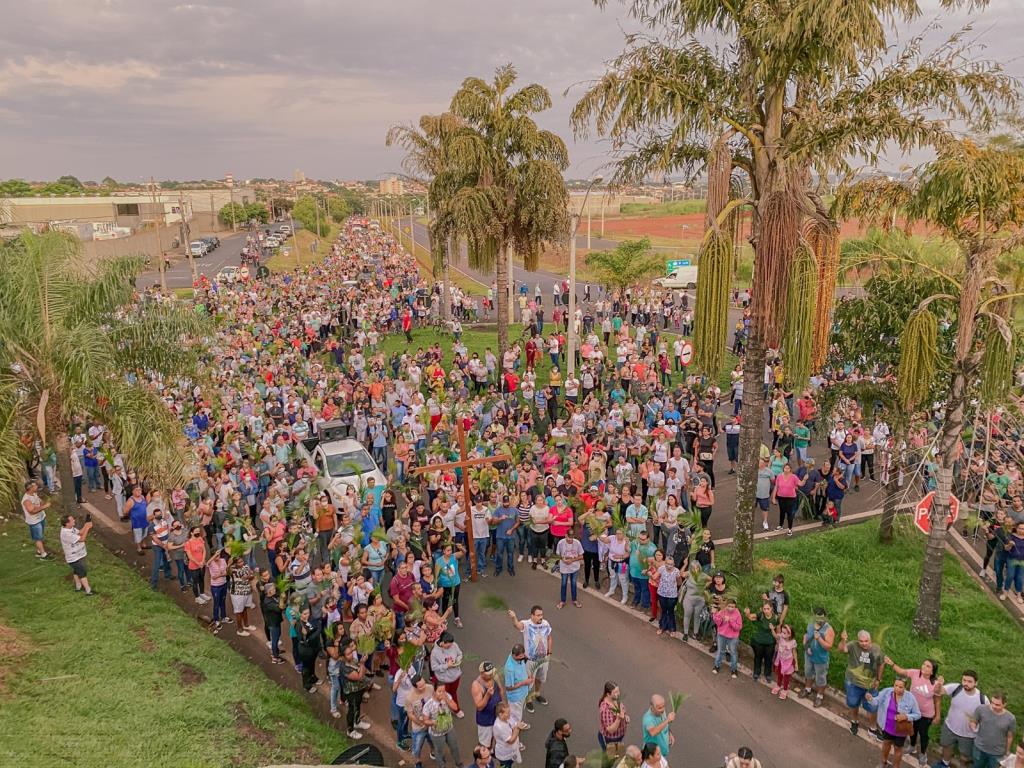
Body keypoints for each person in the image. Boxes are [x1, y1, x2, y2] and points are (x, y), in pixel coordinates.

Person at [888, 656, 943, 764]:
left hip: (926, 714)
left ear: (932, 671)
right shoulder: (915, 673)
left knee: (923, 734)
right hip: (912, 711)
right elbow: (901, 672)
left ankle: (922, 753)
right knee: (912, 731)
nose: (924, 667)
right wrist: (892, 664)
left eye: (928, 666)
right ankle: (912, 746)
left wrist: (937, 715)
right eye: (924, 664)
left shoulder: (935, 683)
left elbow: (937, 701)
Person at [933, 669, 988, 768]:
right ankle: (945, 764)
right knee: (946, 746)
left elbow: (987, 718)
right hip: (950, 727)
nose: (966, 683)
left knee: (965, 756)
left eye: (969, 681)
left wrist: (976, 725)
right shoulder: (956, 688)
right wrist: (939, 685)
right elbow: (938, 692)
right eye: (964, 680)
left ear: (976, 683)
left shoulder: (982, 699)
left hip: (968, 735)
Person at [866, 678, 921, 768]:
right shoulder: (887, 692)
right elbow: (876, 701)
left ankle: (896, 766)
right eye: (895, 685)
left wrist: (906, 716)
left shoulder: (910, 698)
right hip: (887, 726)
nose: (897, 688)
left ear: (905, 687)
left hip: (900, 730)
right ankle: (883, 762)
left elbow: (918, 714)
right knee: (886, 744)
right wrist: (871, 699)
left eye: (900, 687)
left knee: (898, 748)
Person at [840, 628, 884, 736]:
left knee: (873, 707)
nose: (864, 643)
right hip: (853, 683)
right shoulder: (853, 645)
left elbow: (881, 663)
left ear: (870, 640)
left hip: (870, 685)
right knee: (853, 704)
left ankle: (872, 728)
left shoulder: (876, 649)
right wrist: (843, 640)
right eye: (861, 641)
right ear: (857, 640)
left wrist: (878, 679)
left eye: (866, 641)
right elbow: (842, 649)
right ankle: (854, 721)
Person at [508, 605, 552, 714]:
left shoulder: (545, 624)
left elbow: (549, 638)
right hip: (531, 660)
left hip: (543, 659)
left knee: (540, 678)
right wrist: (514, 617)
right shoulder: (527, 624)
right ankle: (528, 699)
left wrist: (549, 653)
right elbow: (517, 625)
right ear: (532, 616)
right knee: (529, 682)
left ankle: (537, 694)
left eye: (541, 614)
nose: (540, 617)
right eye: (538, 615)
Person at [969, 692, 1017, 768]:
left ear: (1004, 704)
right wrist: (973, 725)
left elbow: (1009, 736)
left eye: (997, 705)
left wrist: (1007, 751)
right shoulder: (981, 709)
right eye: (992, 703)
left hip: (997, 753)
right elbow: (974, 721)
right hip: (979, 748)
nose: (994, 706)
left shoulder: (1010, 718)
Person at [800, 606, 835, 708]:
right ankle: (808, 689)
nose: (820, 620)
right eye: (817, 618)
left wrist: (819, 639)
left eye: (822, 618)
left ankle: (819, 696)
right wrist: (806, 647)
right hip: (809, 655)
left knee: (821, 678)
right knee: (808, 673)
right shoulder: (810, 624)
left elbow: (829, 647)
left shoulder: (829, 630)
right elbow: (806, 636)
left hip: (820, 659)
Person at [423, 683, 463, 768]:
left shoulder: (447, 696)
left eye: (444, 691)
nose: (442, 693)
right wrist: (433, 722)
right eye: (439, 691)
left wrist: (447, 699)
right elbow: (425, 720)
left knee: (454, 747)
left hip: (449, 729)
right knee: (439, 751)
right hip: (437, 733)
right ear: (434, 691)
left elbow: (455, 708)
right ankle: (441, 765)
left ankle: (459, 764)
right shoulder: (428, 705)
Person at [58, 513, 95, 595]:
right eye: (72, 520)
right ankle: (88, 590)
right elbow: (82, 539)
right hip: (73, 557)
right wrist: (88, 528)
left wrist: (86, 525)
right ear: (67, 523)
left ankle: (78, 586)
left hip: (79, 554)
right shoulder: (66, 533)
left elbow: (80, 533)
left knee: (77, 570)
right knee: (82, 572)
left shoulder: (70, 528)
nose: (74, 520)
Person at [430, 632, 465, 715]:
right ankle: (441, 713)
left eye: (451, 645)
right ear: (442, 643)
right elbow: (434, 667)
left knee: (453, 693)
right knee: (442, 696)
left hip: (455, 676)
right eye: (448, 646)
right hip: (443, 679)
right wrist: (446, 666)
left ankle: (456, 710)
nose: (450, 646)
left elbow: (460, 654)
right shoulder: (435, 653)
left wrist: (457, 660)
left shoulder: (454, 645)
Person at [471, 661, 502, 748]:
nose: (491, 675)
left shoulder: (494, 676)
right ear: (482, 673)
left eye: (492, 672)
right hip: (486, 719)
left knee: (494, 736)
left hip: (496, 715)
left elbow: (501, 690)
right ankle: (482, 758)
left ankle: (491, 750)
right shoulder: (476, 685)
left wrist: (502, 705)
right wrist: (487, 695)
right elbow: (479, 707)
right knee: (484, 743)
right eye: (489, 673)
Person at [502, 644, 533, 727]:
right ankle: (514, 732)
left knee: (518, 714)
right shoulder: (509, 669)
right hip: (516, 697)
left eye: (523, 656)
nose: (522, 658)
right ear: (514, 655)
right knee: (515, 717)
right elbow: (508, 687)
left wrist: (528, 674)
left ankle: (517, 725)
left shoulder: (518, 657)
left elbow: (523, 661)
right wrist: (524, 682)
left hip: (522, 693)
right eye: (520, 657)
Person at [712, 598, 743, 677]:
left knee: (733, 653)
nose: (731, 608)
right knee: (720, 651)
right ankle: (717, 666)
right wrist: (715, 614)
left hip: (733, 637)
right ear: (726, 606)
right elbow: (718, 623)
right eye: (729, 606)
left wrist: (730, 621)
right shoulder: (722, 611)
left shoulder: (737, 614)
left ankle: (734, 669)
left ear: (735, 607)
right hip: (722, 635)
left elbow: (739, 627)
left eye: (732, 607)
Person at [598, 681, 629, 759]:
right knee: (608, 759)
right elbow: (610, 730)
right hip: (609, 739)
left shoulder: (616, 699)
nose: (618, 694)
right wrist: (618, 719)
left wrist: (625, 717)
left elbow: (622, 712)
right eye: (615, 692)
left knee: (615, 756)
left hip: (619, 736)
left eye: (618, 691)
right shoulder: (605, 708)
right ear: (608, 694)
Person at [555, 526, 584, 609]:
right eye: (569, 537)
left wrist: (572, 560)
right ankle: (562, 601)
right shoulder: (561, 543)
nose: (570, 540)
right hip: (564, 567)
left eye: (572, 538)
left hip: (574, 567)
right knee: (563, 583)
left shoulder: (577, 543)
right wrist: (563, 559)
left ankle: (574, 600)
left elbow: (581, 556)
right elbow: (558, 554)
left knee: (574, 583)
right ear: (565, 535)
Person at [22, 480, 51, 560]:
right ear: (30, 488)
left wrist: (42, 503)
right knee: (38, 538)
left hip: (41, 518)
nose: (37, 486)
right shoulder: (27, 500)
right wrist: (44, 507)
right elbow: (32, 511)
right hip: (34, 521)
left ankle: (39, 550)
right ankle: (43, 555)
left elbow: (39, 502)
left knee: (40, 535)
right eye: (35, 486)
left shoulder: (34, 494)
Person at [641, 695, 674, 760]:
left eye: (663, 706)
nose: (662, 710)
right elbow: (653, 732)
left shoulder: (661, 712)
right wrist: (668, 720)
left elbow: (664, 724)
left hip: (662, 753)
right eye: (659, 708)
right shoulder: (648, 719)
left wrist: (669, 733)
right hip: (652, 756)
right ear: (651, 706)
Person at [492, 702, 525, 768]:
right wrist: (518, 728)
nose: (509, 714)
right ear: (500, 714)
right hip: (505, 755)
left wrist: (517, 726)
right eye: (507, 713)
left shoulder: (506, 718)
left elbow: (514, 724)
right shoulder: (500, 727)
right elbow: (511, 740)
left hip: (511, 751)